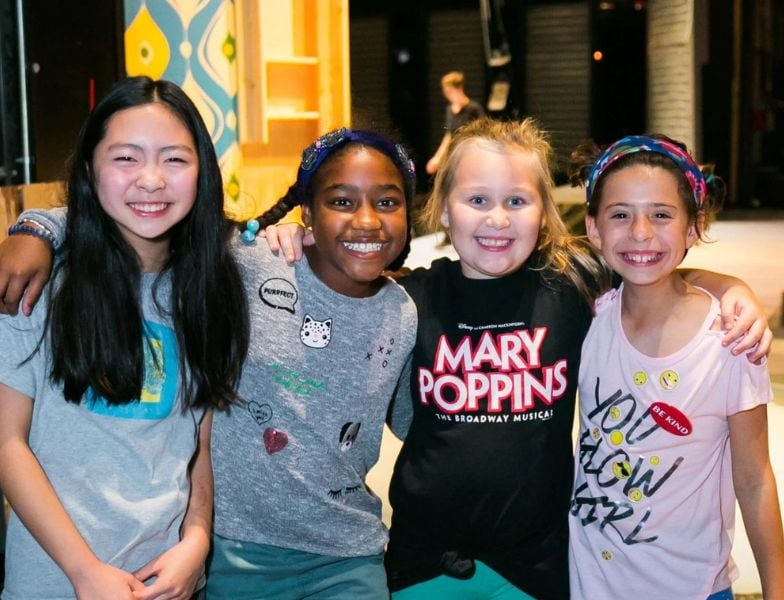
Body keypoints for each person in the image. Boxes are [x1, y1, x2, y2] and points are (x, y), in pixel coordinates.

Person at [260, 117, 772, 599]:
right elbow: (341, 273)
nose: (497, 218)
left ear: (544, 212)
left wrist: (731, 286)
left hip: (534, 568)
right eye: (477, 199)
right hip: (423, 563)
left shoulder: (571, 285)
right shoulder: (408, 300)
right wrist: (301, 240)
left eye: (517, 201)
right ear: (443, 210)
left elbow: (649, 265)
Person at [0, 127, 419, 599]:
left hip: (346, 555)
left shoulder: (403, 313)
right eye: (341, 201)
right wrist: (38, 229)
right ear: (307, 212)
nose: (366, 220)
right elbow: (141, 218)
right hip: (234, 550)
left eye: (387, 202)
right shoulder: (249, 262)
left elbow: (416, 420)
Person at [0, 76, 250, 599]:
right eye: (126, 158)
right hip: (56, 583)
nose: (151, 179)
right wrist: (84, 571)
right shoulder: (34, 285)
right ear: (89, 169)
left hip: (167, 580)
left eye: (175, 159)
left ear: (202, 172)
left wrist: (196, 542)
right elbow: (4, 443)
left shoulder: (210, 289)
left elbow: (198, 445)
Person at [567, 136, 784, 599]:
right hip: (591, 584)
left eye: (662, 215)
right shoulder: (587, 317)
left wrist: (777, 590)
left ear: (693, 228)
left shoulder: (730, 339)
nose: (640, 232)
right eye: (620, 214)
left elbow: (755, 480)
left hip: (693, 589)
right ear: (593, 227)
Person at [425, 71, 485, 176]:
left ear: (459, 88)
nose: (448, 95)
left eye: (450, 91)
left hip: (472, 155)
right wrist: (437, 157)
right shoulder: (449, 109)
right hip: (455, 155)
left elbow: (482, 134)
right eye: (446, 92)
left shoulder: (474, 108)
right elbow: (449, 135)